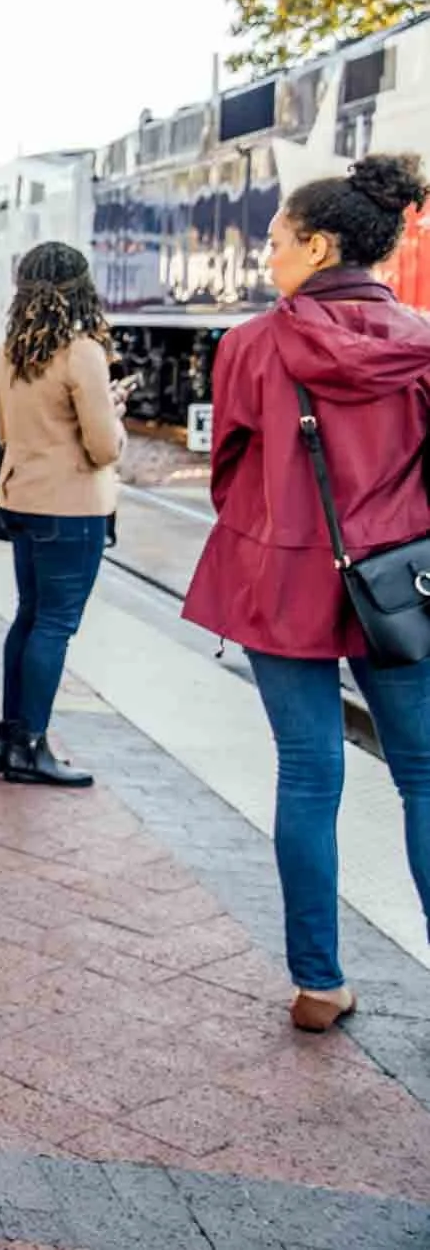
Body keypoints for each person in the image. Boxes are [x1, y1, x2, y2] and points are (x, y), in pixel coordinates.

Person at [185, 155, 430, 1034]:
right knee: (425, 779)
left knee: (309, 774)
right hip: (400, 589)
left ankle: (318, 982)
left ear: (319, 244)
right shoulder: (421, 343)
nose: (267, 255)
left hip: (281, 582)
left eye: (277, 240)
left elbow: (228, 476)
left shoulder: (249, 347)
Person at [0, 243, 125, 789]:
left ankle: (8, 739)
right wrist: (113, 417)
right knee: (55, 625)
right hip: (71, 509)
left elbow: (4, 430)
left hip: (21, 499)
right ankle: (33, 746)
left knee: (28, 617)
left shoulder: (11, 352)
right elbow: (103, 449)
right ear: (79, 288)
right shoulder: (81, 353)